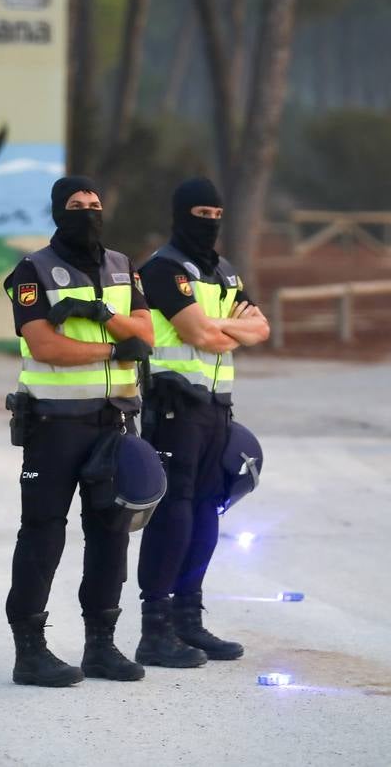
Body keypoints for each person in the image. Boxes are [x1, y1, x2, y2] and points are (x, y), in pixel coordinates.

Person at [3, 176, 155, 686]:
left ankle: (101, 646)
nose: (87, 212)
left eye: (94, 204)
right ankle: (30, 651)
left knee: (110, 534)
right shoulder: (33, 270)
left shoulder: (121, 265)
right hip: (54, 423)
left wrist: (100, 314)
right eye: (75, 205)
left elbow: (147, 335)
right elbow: (45, 346)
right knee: (43, 534)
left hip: (113, 422)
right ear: (57, 213)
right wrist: (115, 346)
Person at [133, 178, 269, 667]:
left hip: (217, 408)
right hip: (174, 407)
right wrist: (232, 330)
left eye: (216, 213)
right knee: (174, 512)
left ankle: (189, 621)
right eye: (200, 214)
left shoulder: (224, 273)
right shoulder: (162, 268)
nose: (209, 222)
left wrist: (221, 330)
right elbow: (196, 332)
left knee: (208, 510)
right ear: (179, 214)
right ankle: (155, 630)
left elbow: (262, 328)